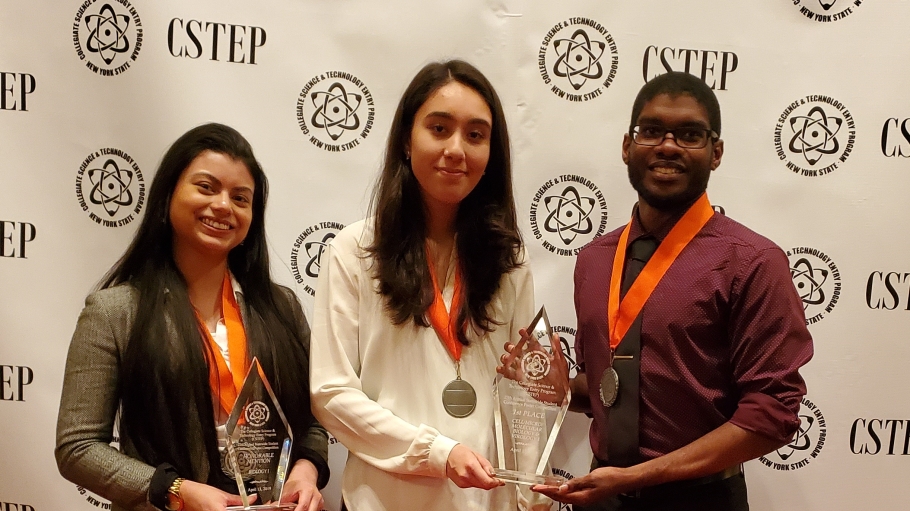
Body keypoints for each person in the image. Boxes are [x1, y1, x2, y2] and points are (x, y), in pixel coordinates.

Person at [532, 72, 814, 510]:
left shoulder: (753, 261)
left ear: (715, 153)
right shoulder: (593, 260)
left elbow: (772, 412)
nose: (667, 145)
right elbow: (610, 388)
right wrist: (563, 388)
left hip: (701, 501)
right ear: (628, 145)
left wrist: (639, 476)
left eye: (689, 134)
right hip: (599, 497)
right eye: (651, 131)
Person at [56, 123, 329, 511]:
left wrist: (305, 470)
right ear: (168, 195)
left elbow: (316, 420)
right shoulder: (115, 312)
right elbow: (77, 448)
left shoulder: (281, 308)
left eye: (240, 198)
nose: (222, 205)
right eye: (206, 187)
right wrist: (176, 490)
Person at [309, 60, 543, 511]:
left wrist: (531, 495)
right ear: (405, 139)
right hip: (380, 502)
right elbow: (332, 394)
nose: (456, 149)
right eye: (439, 129)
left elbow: (522, 397)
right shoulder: (356, 249)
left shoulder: (509, 258)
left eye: (475, 135)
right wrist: (439, 452)